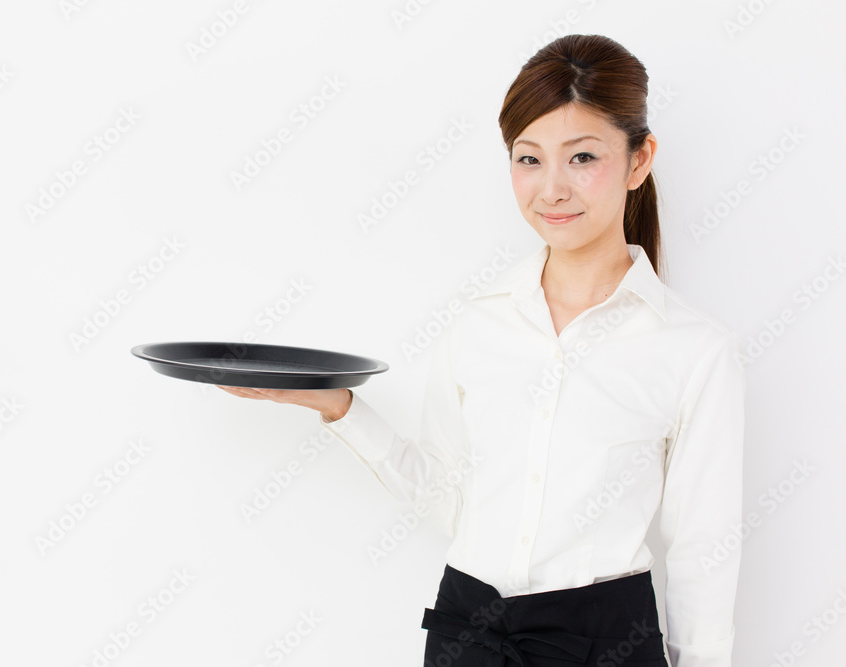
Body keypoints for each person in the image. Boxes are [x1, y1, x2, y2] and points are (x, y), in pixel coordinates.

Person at [218, 34, 745, 667]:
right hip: (465, 632)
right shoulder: (477, 326)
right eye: (529, 159)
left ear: (639, 161)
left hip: (602, 642)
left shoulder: (695, 350)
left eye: (582, 157)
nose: (551, 188)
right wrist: (339, 407)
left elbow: (703, 554)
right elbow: (448, 499)